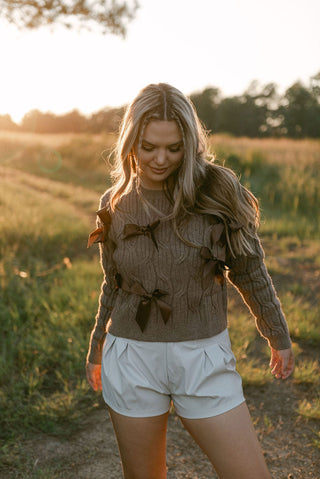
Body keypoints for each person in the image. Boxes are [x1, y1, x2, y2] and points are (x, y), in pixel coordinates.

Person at [86, 83, 294, 479]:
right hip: (131, 357)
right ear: (131, 142)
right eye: (148, 147)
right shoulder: (114, 203)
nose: (160, 159)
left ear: (190, 145)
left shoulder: (217, 191)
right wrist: (97, 346)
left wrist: (277, 335)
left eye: (174, 148)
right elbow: (112, 284)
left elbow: (249, 270)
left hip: (202, 357)